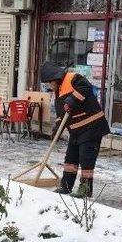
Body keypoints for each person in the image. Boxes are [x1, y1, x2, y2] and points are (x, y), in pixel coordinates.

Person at [40, 61, 110, 198]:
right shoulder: (58, 91)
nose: (49, 86)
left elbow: (86, 87)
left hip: (92, 127)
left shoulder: (74, 78)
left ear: (54, 78)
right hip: (76, 131)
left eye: (49, 83)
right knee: (70, 159)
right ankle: (66, 186)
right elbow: (62, 114)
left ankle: (85, 190)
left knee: (86, 159)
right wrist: (57, 130)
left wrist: (71, 100)